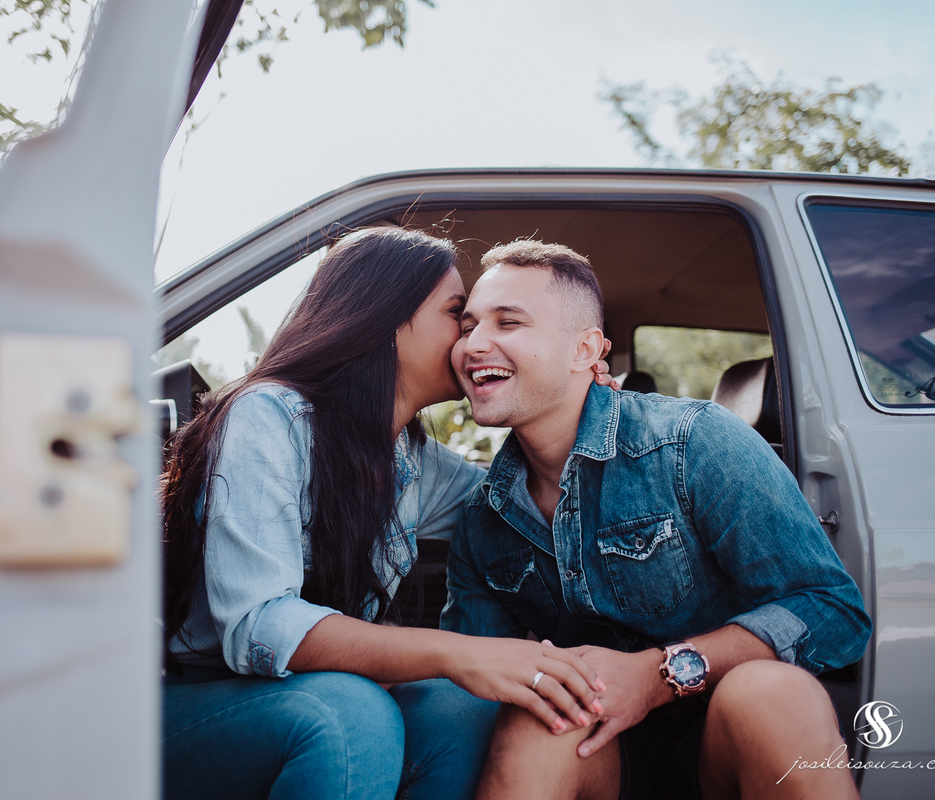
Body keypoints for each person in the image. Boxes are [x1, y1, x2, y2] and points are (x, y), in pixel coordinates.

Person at [159, 228, 617, 800]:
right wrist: (460, 653)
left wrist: (578, 408)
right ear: (387, 320)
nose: (472, 340)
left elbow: (523, 511)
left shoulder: (413, 458)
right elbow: (260, 625)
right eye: (460, 316)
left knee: (463, 710)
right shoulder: (268, 416)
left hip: (315, 693)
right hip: (192, 705)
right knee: (349, 714)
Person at [441, 240, 872, 800]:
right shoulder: (482, 518)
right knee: (540, 716)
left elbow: (833, 611)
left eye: (508, 322)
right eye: (468, 325)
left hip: (729, 743)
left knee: (773, 692)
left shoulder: (694, 442)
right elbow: (472, 683)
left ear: (584, 349)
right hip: (606, 759)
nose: (475, 344)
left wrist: (658, 675)